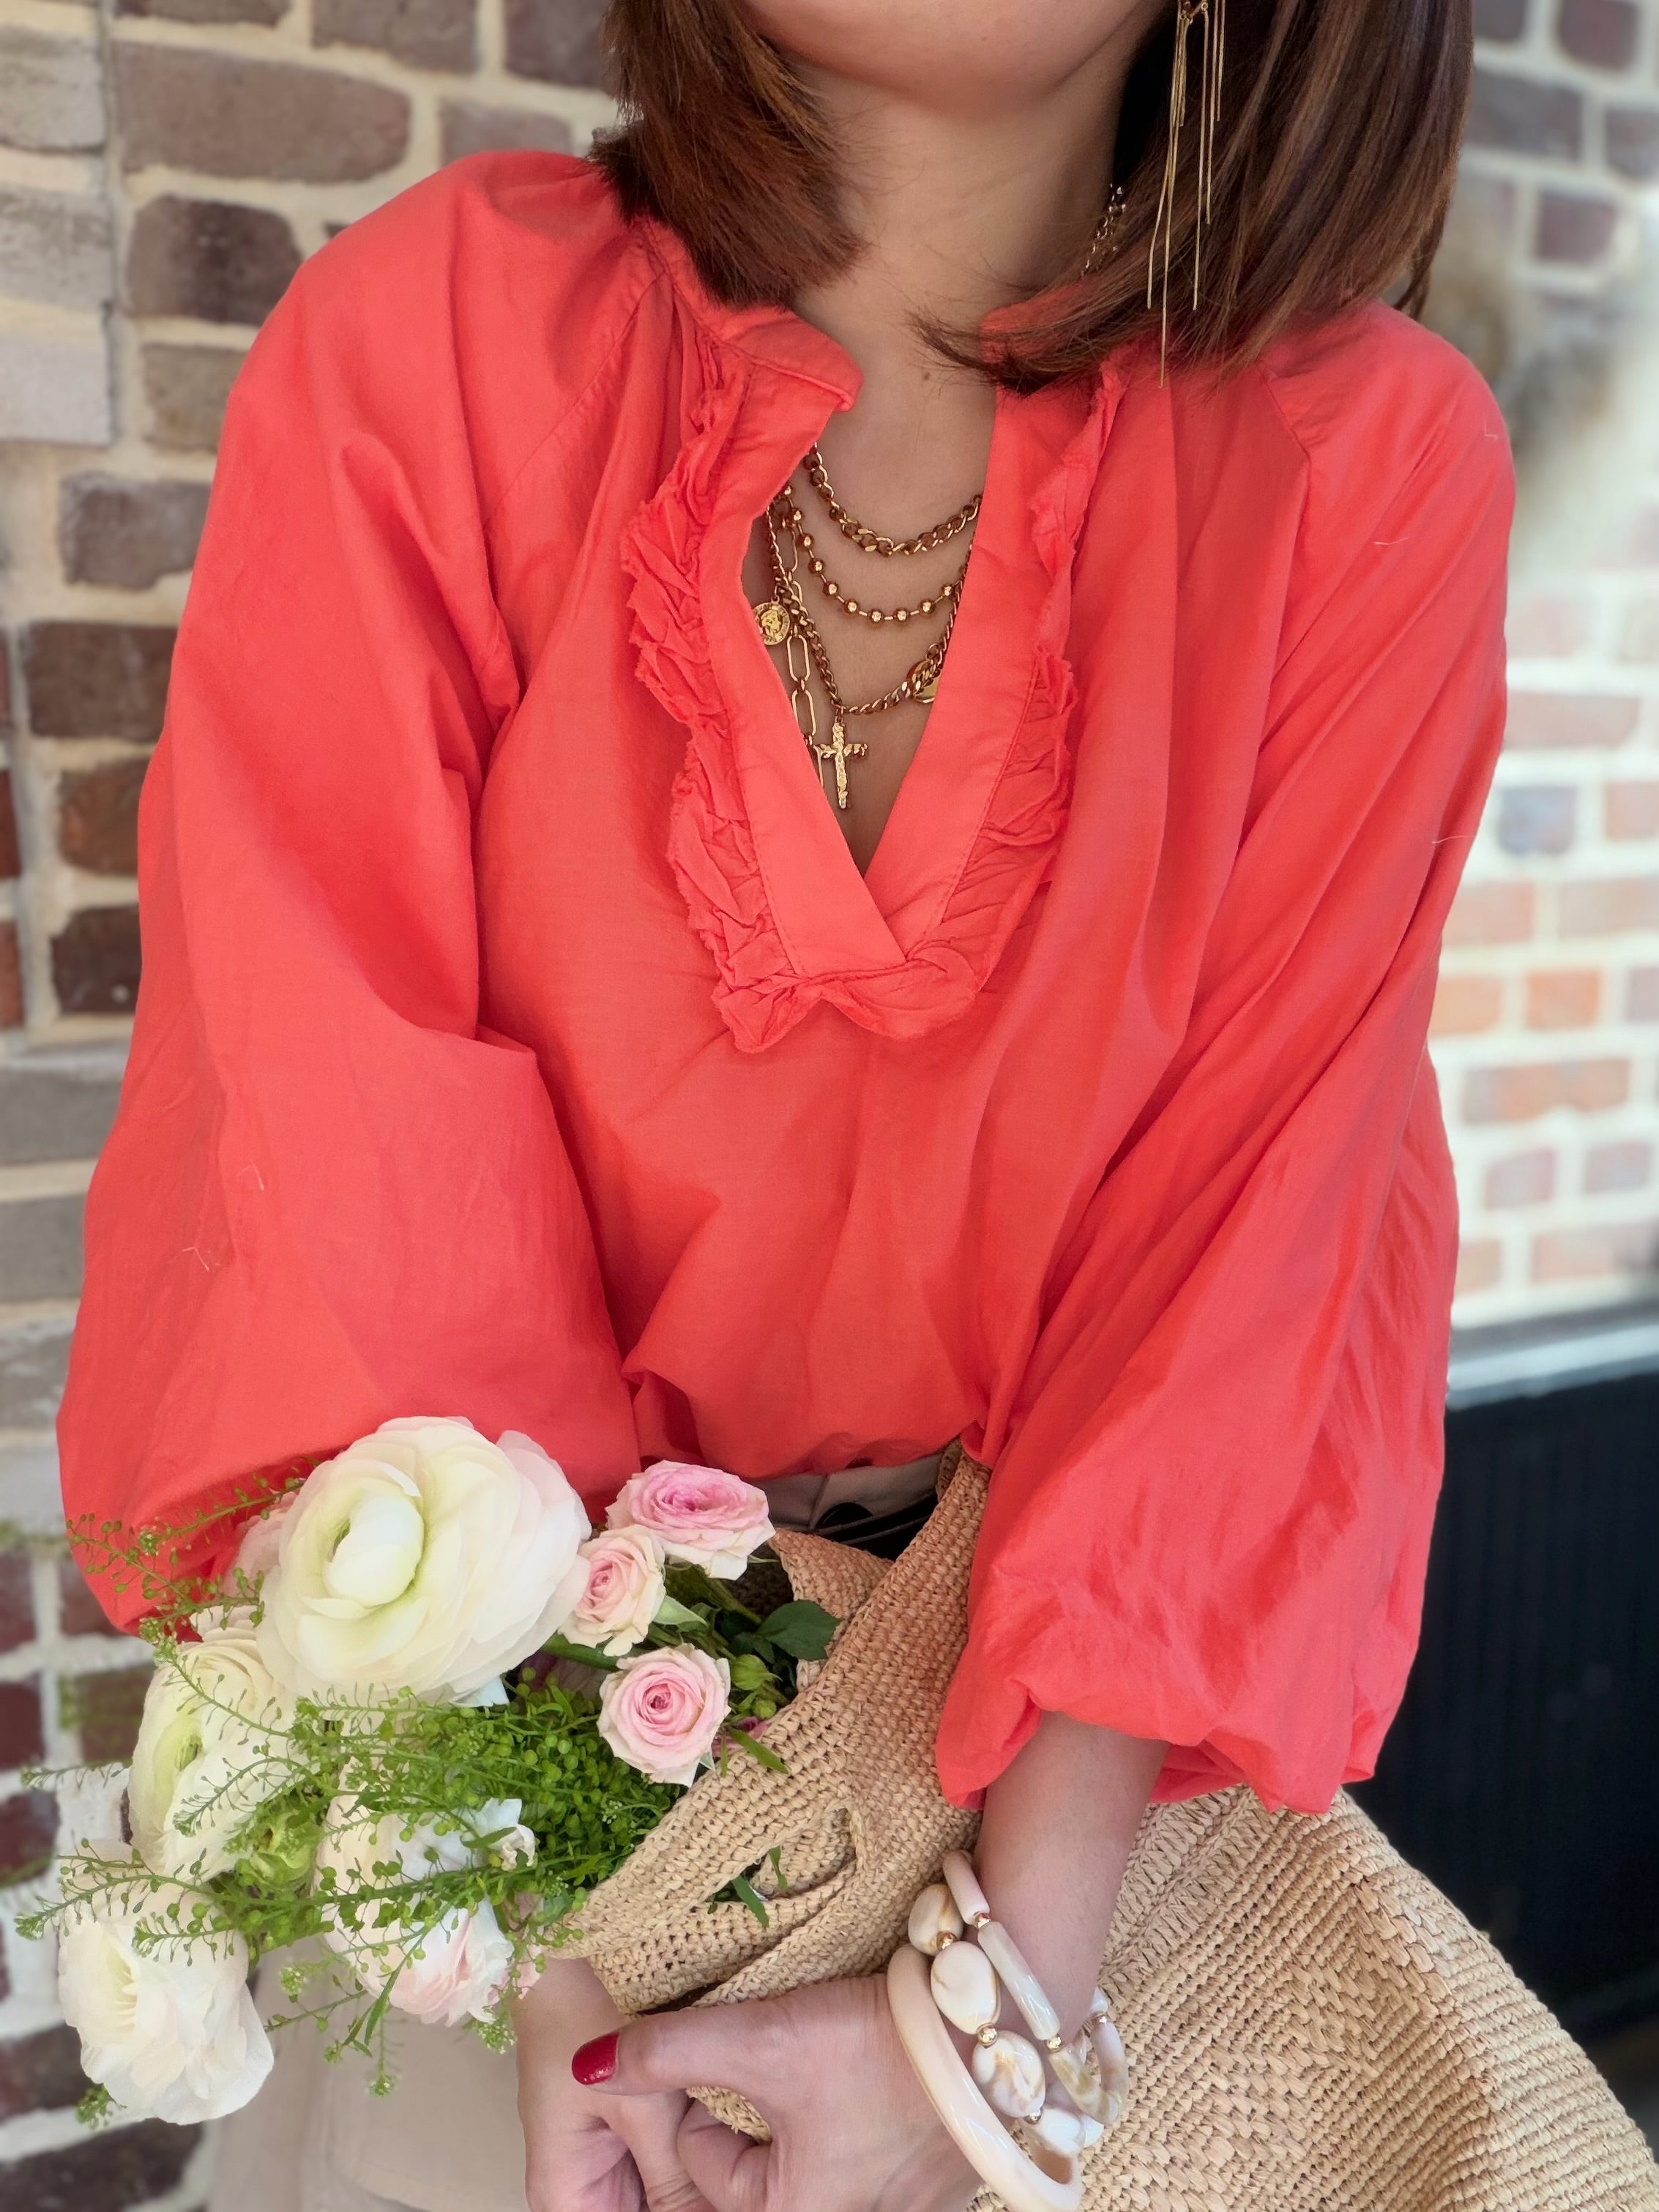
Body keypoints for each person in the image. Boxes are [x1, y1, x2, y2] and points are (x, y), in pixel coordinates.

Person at [58, 0, 1513, 2205]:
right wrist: (598, 1947)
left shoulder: (1360, 466)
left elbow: (1246, 1246)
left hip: (1045, 1890)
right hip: (514, 1854)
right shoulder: (437, 335)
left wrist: (982, 2031)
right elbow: (339, 1159)